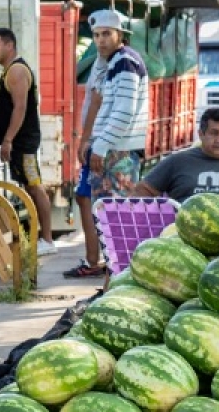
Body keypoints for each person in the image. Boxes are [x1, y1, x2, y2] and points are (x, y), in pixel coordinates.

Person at [64, 8, 150, 280]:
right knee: (107, 217)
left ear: (120, 35)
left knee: (115, 218)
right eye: (97, 35)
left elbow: (124, 111)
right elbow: (97, 100)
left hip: (117, 151)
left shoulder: (125, 63)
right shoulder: (110, 63)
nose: (101, 40)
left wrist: (100, 146)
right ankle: (113, 278)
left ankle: (121, 279)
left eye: (107, 34)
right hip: (109, 148)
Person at [0, 27, 58, 257]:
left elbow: (21, 107)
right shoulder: (9, 70)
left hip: (21, 140)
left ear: (10, 45)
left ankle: (47, 239)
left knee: (34, 188)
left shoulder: (17, 70)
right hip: (3, 129)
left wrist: (8, 141)